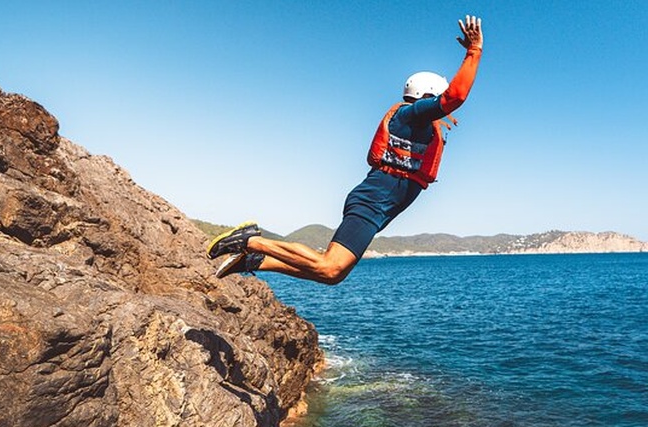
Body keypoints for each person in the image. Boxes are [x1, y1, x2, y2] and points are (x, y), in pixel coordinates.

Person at [207, 15, 484, 285]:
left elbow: (444, 107)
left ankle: (255, 261)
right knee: (330, 266)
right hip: (374, 199)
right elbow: (455, 96)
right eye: (437, 98)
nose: (441, 110)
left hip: (382, 206)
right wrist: (474, 51)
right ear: (426, 96)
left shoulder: (419, 124)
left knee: (333, 274)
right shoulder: (410, 115)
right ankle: (250, 241)